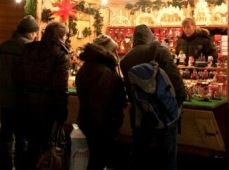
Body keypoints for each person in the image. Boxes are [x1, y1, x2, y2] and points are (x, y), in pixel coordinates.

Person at [120, 24, 187, 170]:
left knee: (140, 157)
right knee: (167, 158)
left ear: (134, 39)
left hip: (139, 116)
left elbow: (129, 91)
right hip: (163, 114)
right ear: (149, 36)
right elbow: (175, 80)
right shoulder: (160, 51)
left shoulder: (125, 60)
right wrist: (180, 101)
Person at [14, 21, 70, 170]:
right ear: (60, 36)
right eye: (64, 37)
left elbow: (18, 76)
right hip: (46, 107)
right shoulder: (60, 55)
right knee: (46, 146)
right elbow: (60, 87)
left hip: (25, 103)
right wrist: (62, 112)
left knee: (29, 144)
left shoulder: (29, 48)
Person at [0, 15, 39, 170]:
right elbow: (32, 76)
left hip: (5, 99)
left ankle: (4, 166)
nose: (35, 36)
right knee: (22, 137)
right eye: (34, 33)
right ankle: (21, 166)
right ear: (29, 32)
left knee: (5, 136)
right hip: (22, 101)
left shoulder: (3, 46)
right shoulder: (29, 48)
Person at [75, 34, 127, 170]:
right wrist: (109, 125)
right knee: (98, 160)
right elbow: (99, 104)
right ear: (107, 51)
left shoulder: (88, 67)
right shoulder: (103, 71)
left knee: (97, 159)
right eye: (114, 50)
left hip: (91, 122)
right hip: (101, 125)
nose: (117, 53)